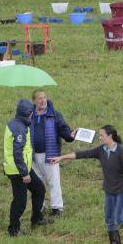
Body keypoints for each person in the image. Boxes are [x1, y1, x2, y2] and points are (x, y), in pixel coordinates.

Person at [50, 125, 123, 244]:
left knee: (120, 218)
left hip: (122, 191)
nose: (99, 138)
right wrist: (61, 157)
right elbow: (81, 154)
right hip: (109, 190)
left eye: (101, 135)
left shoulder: (122, 151)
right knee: (110, 220)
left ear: (110, 136)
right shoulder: (101, 150)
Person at [3, 99, 52, 236]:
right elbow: (17, 153)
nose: (34, 114)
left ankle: (36, 219)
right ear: (28, 113)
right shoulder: (18, 128)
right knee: (20, 201)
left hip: (24, 167)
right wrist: (24, 173)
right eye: (33, 112)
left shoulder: (21, 123)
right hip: (18, 170)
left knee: (39, 190)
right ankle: (13, 230)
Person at [29, 89, 75, 219]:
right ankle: (40, 207)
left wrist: (69, 135)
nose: (43, 100)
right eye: (39, 98)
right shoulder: (30, 115)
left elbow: (63, 129)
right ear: (34, 101)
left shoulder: (54, 114)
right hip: (32, 156)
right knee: (38, 183)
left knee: (53, 182)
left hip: (50, 154)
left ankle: (57, 208)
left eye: (44, 98)